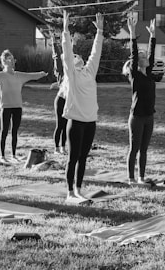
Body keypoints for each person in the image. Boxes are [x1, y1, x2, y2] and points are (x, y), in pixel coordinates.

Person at [61, 10, 104, 202]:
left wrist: (100, 32)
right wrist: (65, 30)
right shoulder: (72, 74)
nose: (76, 57)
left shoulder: (89, 72)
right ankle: (70, 191)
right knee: (73, 157)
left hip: (90, 121)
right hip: (76, 121)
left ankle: (78, 188)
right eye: (75, 56)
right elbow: (67, 53)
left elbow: (96, 53)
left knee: (84, 157)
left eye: (79, 56)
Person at [0, 50, 47, 162]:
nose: (10, 60)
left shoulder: (19, 75)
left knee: (15, 131)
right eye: (7, 59)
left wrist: (41, 74)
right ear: (3, 62)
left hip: (17, 107)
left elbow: (32, 76)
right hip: (6, 107)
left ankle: (13, 154)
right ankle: (2, 155)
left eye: (11, 59)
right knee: (4, 131)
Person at [122, 17, 156, 184]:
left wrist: (153, 36)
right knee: (134, 148)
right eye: (143, 57)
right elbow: (134, 54)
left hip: (149, 116)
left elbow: (151, 53)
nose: (146, 57)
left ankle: (141, 177)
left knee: (144, 149)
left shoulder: (148, 74)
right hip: (137, 117)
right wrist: (133, 34)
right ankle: (131, 178)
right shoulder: (135, 76)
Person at [51, 33, 68, 155]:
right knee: (60, 125)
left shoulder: (74, 72)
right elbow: (57, 57)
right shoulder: (62, 73)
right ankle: (57, 148)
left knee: (66, 125)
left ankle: (63, 147)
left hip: (69, 101)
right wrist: (53, 43)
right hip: (61, 100)